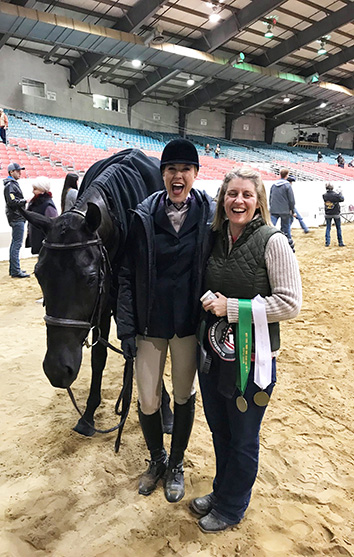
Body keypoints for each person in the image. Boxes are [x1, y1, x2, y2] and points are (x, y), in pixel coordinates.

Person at [192, 167, 302, 533]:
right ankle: (221, 491)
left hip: (252, 362)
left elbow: (290, 304)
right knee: (220, 431)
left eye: (247, 195)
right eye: (232, 194)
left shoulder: (273, 241)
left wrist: (232, 308)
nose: (238, 201)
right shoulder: (215, 238)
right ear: (222, 200)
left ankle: (232, 506)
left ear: (258, 203)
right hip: (213, 356)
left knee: (242, 437)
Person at [117, 139, 215, 503]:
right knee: (147, 399)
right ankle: (157, 459)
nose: (178, 175)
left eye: (185, 169)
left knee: (184, 394)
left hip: (189, 325)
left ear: (195, 175)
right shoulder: (142, 216)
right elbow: (125, 276)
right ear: (162, 175)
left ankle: (177, 463)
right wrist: (126, 327)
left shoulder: (209, 214)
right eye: (171, 169)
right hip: (149, 325)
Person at [3, 162, 29, 278]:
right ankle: (15, 270)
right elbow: (12, 202)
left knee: (15, 243)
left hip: (16, 216)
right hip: (16, 217)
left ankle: (14, 269)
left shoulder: (11, 184)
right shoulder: (10, 185)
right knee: (17, 244)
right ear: (11, 172)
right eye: (17, 171)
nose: (20, 173)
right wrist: (25, 201)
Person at [26, 177, 58, 254]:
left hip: (45, 240)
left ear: (42, 190)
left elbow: (53, 224)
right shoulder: (34, 203)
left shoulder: (48, 205)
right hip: (36, 238)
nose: (33, 191)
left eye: (35, 189)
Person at [269, 168, 295, 251]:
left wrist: (271, 206)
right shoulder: (287, 185)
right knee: (286, 228)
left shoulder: (274, 185)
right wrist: (292, 209)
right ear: (287, 175)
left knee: (270, 227)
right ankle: (289, 247)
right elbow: (291, 200)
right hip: (285, 210)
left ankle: (268, 244)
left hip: (274, 209)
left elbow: (270, 197)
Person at [323, 183, 345, 247]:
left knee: (328, 228)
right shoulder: (335, 195)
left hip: (328, 213)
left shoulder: (324, 195)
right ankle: (340, 242)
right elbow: (342, 199)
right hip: (336, 213)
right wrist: (340, 193)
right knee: (338, 228)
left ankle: (327, 242)